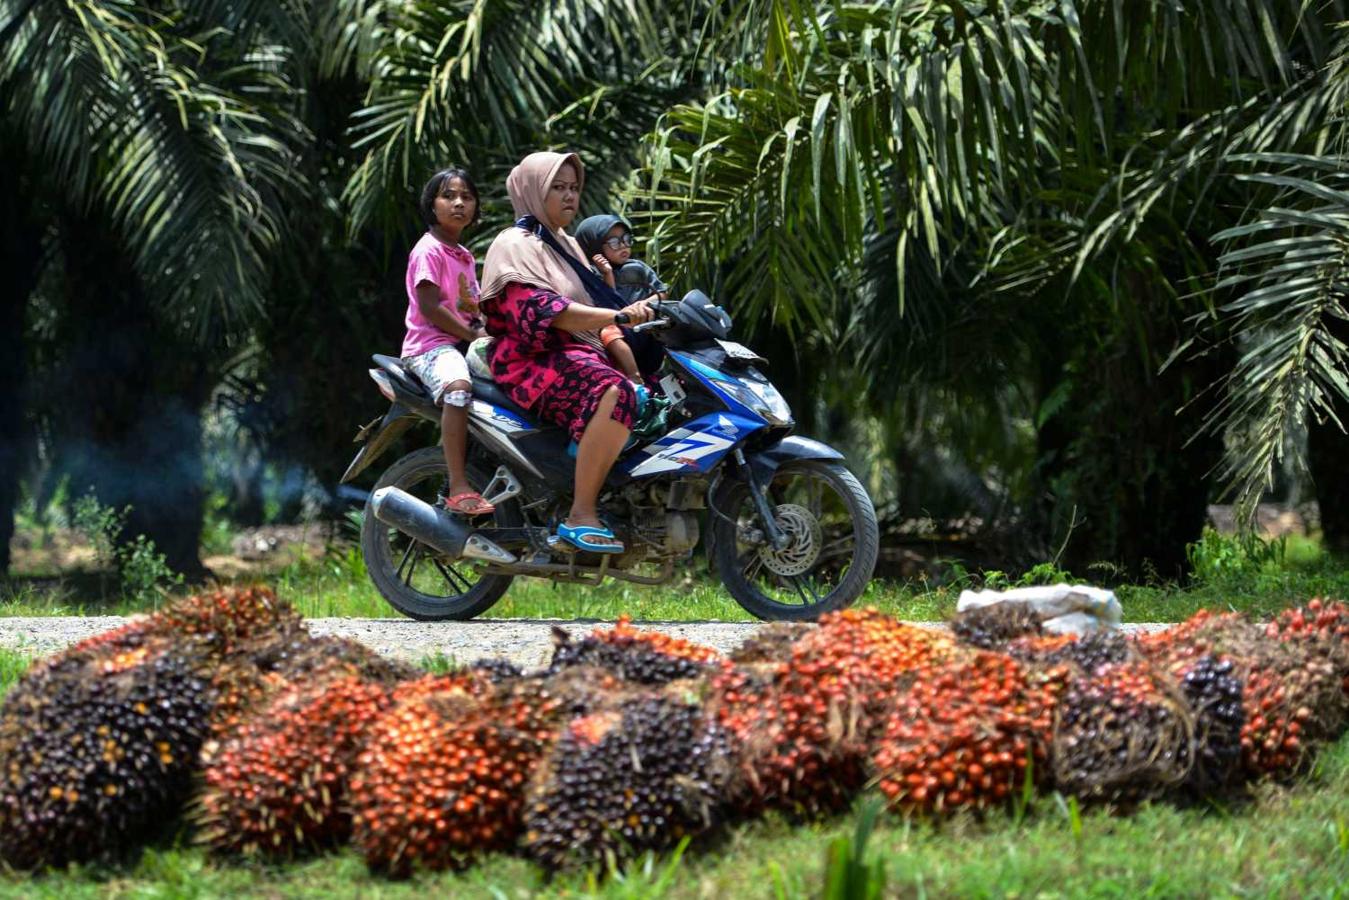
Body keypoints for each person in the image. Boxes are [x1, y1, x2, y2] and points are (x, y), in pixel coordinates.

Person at [479, 151, 654, 553]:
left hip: (574, 354)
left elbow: (601, 302)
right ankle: (580, 515)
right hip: (529, 360)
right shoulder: (514, 244)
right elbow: (544, 312)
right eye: (557, 187)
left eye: (574, 188)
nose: (569, 196)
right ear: (532, 191)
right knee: (617, 392)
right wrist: (618, 315)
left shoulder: (568, 246)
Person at [400, 167, 495, 517]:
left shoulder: (464, 255)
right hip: (430, 347)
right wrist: (471, 334)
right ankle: (457, 485)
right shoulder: (430, 250)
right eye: (449, 196)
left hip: (462, 345)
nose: (459, 203)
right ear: (431, 204)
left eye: (467, 197)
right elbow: (429, 307)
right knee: (458, 388)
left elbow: (473, 308)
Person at [575, 214, 670, 386]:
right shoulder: (589, 275)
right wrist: (607, 274)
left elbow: (662, 292)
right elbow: (607, 304)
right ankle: (635, 377)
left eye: (626, 239)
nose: (623, 246)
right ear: (594, 245)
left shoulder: (637, 268)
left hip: (646, 327)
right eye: (614, 242)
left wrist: (644, 303)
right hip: (620, 330)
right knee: (608, 332)